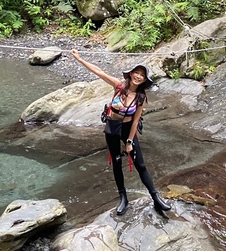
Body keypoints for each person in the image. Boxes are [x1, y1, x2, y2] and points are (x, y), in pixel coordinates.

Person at [70, 50, 172, 215]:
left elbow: (136, 121)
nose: (138, 76)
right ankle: (123, 198)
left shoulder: (141, 98)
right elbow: (99, 72)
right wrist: (79, 59)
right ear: (131, 74)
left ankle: (156, 198)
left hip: (127, 129)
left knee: (140, 165)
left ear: (145, 80)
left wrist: (130, 142)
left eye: (142, 75)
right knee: (117, 162)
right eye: (136, 72)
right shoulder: (119, 86)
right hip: (112, 127)